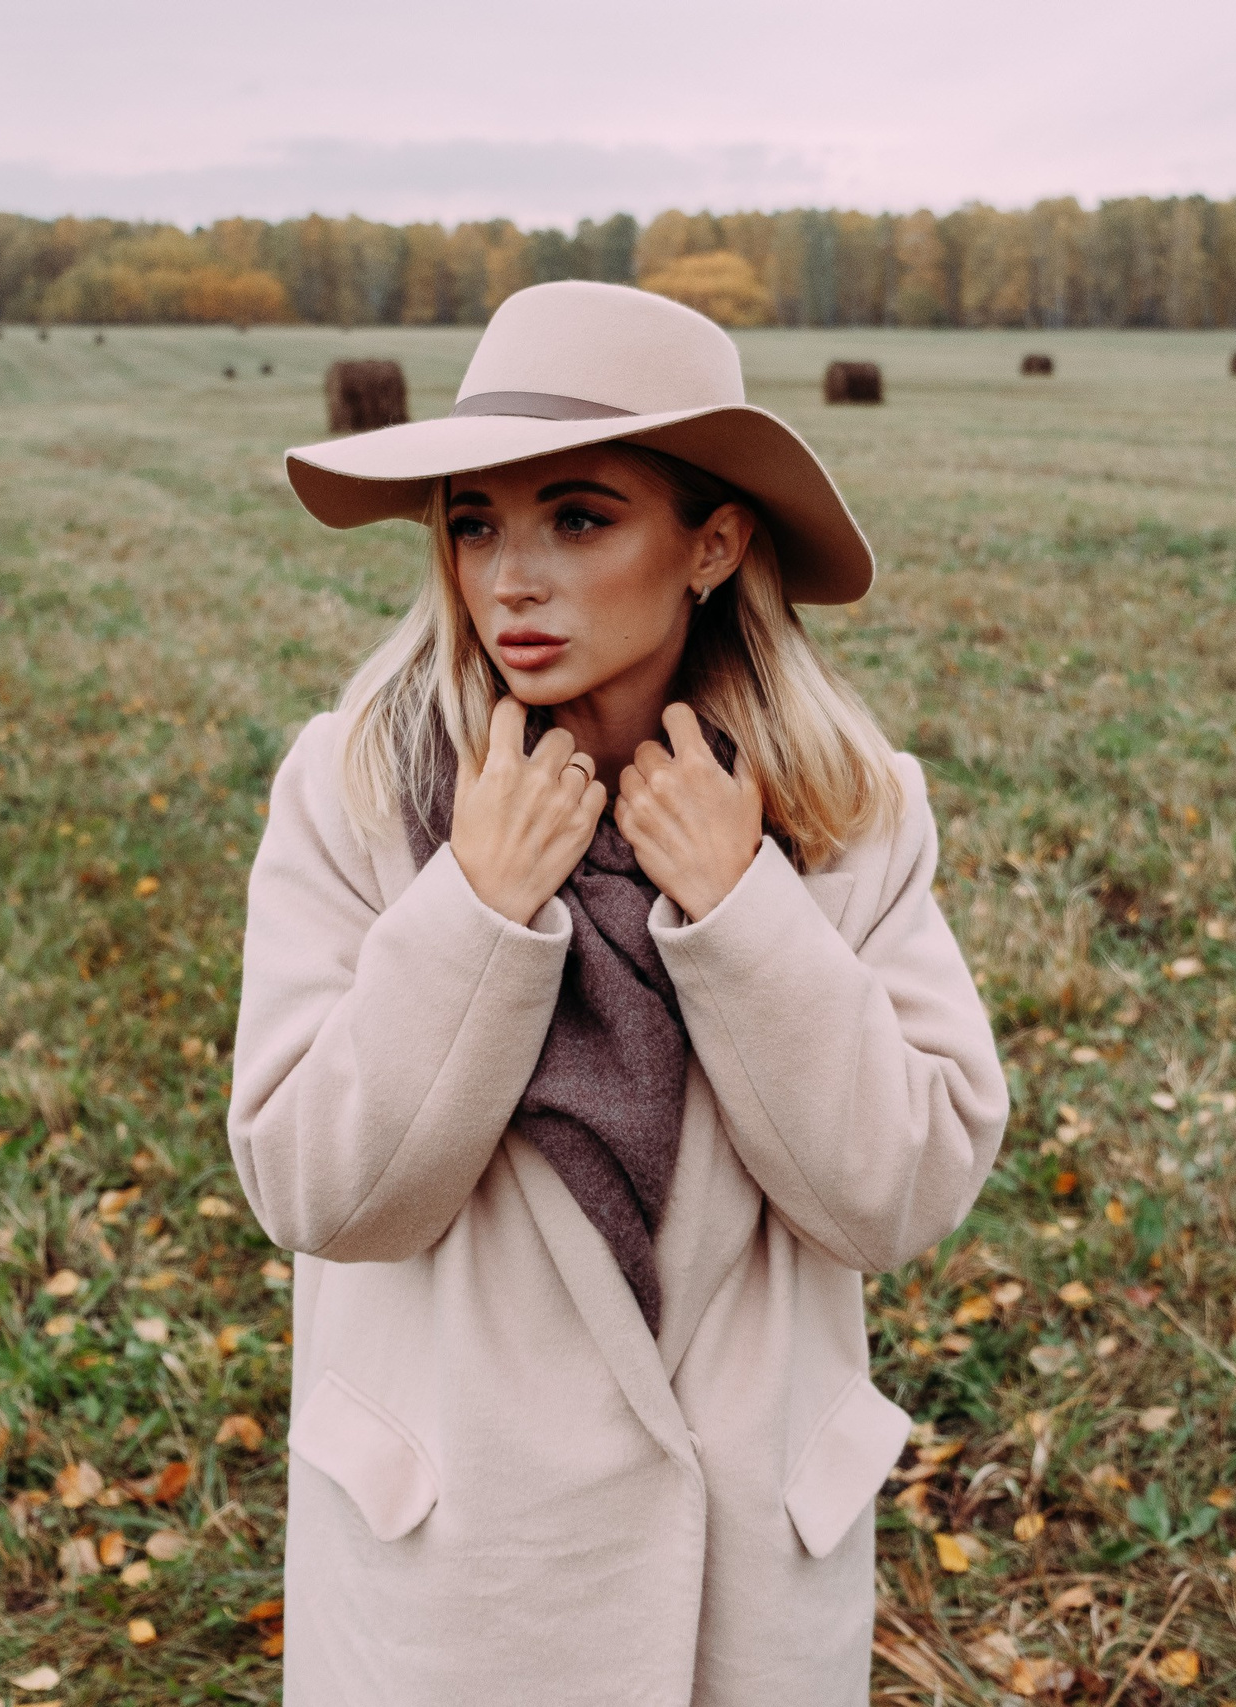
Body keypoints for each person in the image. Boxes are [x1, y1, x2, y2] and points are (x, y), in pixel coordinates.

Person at [228, 280, 1009, 1706]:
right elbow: (316, 1190)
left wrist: (744, 912)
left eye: (579, 519)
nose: (510, 577)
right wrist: (472, 911)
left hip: (743, 1595)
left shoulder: (849, 812)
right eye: (475, 522)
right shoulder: (356, 795)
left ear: (711, 543)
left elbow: (899, 1193)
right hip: (460, 1587)